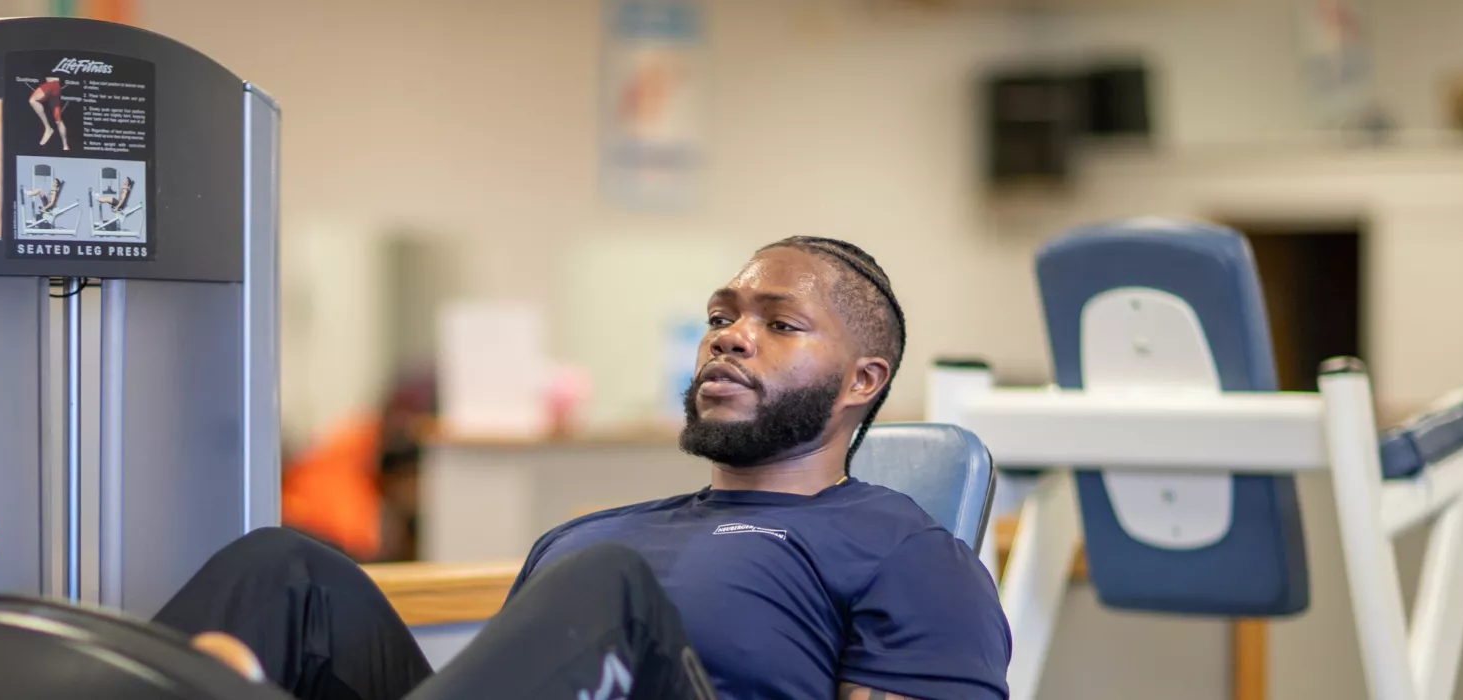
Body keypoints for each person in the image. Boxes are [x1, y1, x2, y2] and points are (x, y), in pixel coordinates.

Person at [153, 236, 1011, 700]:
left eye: (780, 324)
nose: (730, 334)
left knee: (611, 591)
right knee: (283, 569)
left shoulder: (906, 550)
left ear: (864, 382)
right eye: (722, 315)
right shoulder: (591, 534)